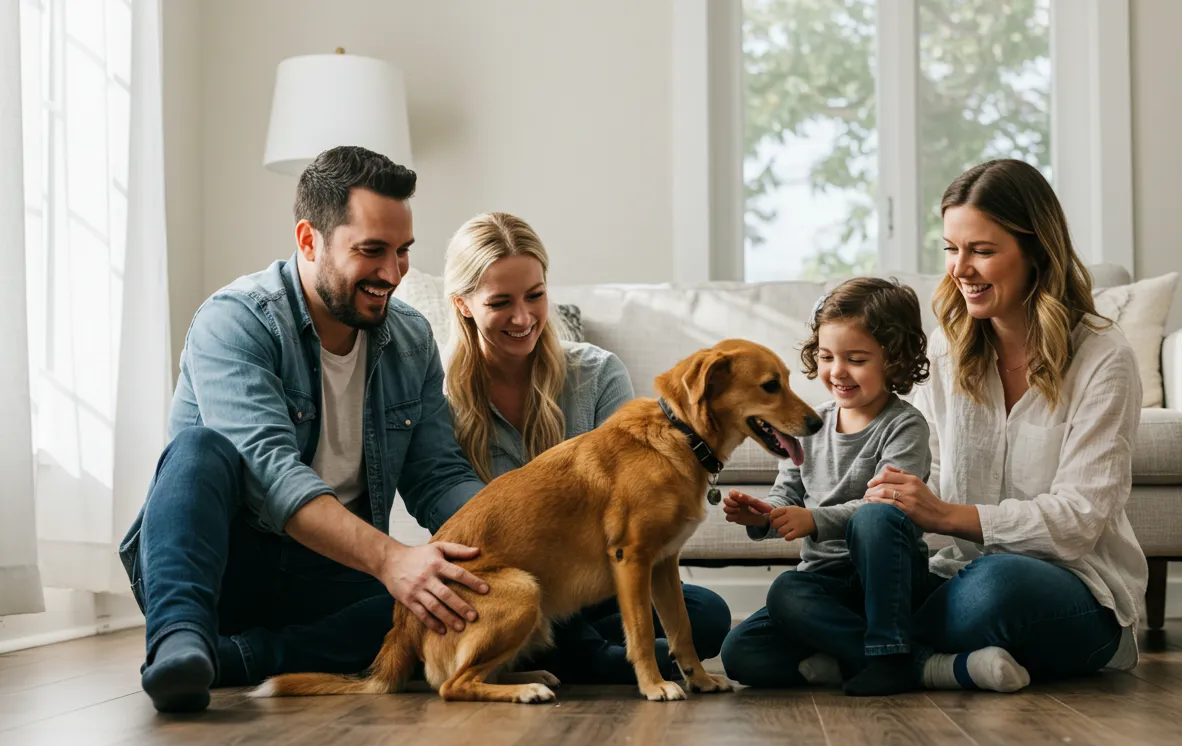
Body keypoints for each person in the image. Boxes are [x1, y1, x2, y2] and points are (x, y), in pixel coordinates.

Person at [721, 158, 1145, 693]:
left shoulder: (1103, 358)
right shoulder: (949, 350)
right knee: (751, 649)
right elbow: (927, 474)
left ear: (1036, 251)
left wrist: (946, 514)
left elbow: (1079, 518)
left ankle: (856, 647)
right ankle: (914, 661)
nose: (959, 269)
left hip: (1068, 590)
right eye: (951, 248)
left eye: (982, 251)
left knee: (994, 586)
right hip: (948, 578)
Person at [120, 146, 492, 712]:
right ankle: (179, 642)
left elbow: (438, 476)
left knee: (457, 600)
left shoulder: (411, 340)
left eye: (402, 252)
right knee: (198, 450)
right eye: (371, 251)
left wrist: (510, 537)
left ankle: (242, 658)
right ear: (309, 240)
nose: (391, 275)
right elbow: (273, 476)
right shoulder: (236, 320)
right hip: (222, 571)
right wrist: (393, 560)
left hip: (330, 575)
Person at [441, 211, 731, 683]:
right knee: (516, 603)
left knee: (710, 614)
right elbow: (451, 507)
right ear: (464, 305)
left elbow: (633, 516)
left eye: (535, 296)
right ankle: (588, 658)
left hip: (600, 584)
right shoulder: (440, 396)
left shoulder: (597, 373)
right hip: (510, 585)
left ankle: (569, 654)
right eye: (500, 302)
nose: (523, 317)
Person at [722, 277, 939, 696]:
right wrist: (764, 515)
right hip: (824, 585)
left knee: (877, 516)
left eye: (856, 359)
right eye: (825, 357)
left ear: (893, 360)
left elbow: (891, 507)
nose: (836, 371)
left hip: (886, 583)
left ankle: (886, 650)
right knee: (742, 651)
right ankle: (903, 661)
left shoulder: (905, 426)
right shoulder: (808, 424)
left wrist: (814, 520)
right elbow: (788, 492)